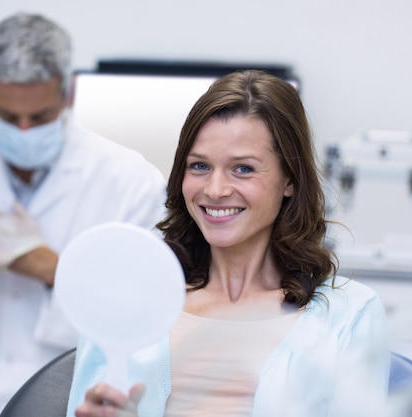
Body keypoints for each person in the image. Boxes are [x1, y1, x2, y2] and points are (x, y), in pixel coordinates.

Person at [66, 70, 390, 417]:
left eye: (243, 169)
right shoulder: (126, 303)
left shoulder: (349, 316)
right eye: (200, 166)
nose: (215, 190)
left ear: (290, 180)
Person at [0, 12, 166, 417]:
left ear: (67, 93)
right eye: (7, 116)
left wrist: (51, 267)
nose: (23, 130)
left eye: (38, 117)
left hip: (72, 397)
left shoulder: (130, 181)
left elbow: (145, 313)